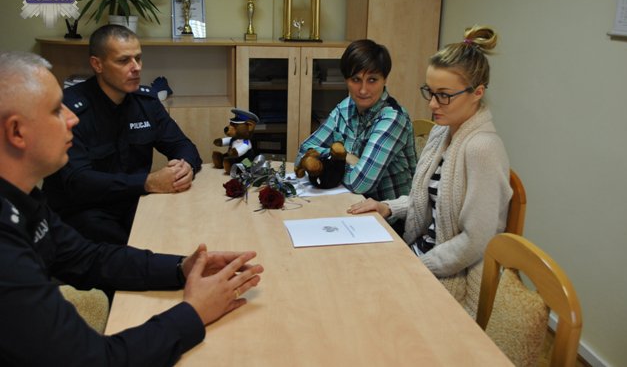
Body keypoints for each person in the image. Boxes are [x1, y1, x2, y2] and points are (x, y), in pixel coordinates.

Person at [0, 51, 264, 365]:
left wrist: (182, 267)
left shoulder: (22, 198)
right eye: (57, 110)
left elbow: (88, 258)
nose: (72, 119)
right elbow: (96, 360)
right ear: (17, 132)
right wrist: (193, 313)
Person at [347, 26, 512, 317]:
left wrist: (416, 266)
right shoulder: (442, 132)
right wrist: (388, 207)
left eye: (444, 95)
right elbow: (427, 199)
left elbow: (475, 242)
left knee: (362, 300)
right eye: (430, 92)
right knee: (351, 273)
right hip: (423, 254)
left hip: (453, 273)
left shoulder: (482, 149)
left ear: (477, 93)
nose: (432, 104)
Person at [43, 24, 203, 245]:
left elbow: (183, 146)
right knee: (141, 248)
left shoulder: (146, 102)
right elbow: (78, 181)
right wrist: (147, 182)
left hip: (133, 203)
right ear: (97, 64)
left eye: (138, 58)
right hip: (84, 212)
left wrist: (186, 167)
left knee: (184, 230)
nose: (136, 67)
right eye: (123, 60)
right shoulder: (70, 109)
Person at [295, 39, 416, 205]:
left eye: (372, 80)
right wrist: (345, 157)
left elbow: (360, 184)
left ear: (385, 79)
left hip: (389, 214)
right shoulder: (346, 107)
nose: (363, 90)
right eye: (356, 79)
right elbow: (303, 151)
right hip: (351, 203)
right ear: (346, 80)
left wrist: (331, 163)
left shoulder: (393, 118)